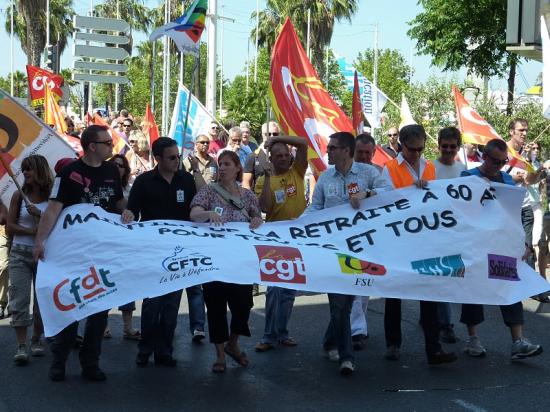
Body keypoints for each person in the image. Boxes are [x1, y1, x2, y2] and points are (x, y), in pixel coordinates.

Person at [34, 124, 125, 382]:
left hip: (103, 251)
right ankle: (59, 360)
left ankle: (90, 363)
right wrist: (40, 242)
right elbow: (52, 210)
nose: (112, 146)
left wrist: (128, 212)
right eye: (107, 142)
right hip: (74, 253)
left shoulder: (110, 170)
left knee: (99, 309)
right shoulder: (69, 173)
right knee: (71, 305)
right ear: (92, 146)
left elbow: (117, 202)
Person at [307, 131, 392, 376]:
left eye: (332, 147)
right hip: (333, 249)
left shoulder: (368, 174)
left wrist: (367, 194)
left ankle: (328, 342)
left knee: (347, 302)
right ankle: (347, 357)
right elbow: (315, 207)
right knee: (339, 300)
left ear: (346, 150)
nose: (328, 151)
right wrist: (294, 226)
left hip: (361, 247)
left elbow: (390, 193)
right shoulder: (325, 178)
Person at [459, 138, 543, 360]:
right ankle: (473, 339)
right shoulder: (467, 178)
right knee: (473, 291)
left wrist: (522, 242)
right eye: (495, 161)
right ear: (484, 156)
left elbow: (511, 214)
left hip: (500, 245)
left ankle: (518, 341)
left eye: (502, 161)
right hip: (475, 245)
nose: (498, 166)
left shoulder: (507, 180)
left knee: (509, 288)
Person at [122, 137, 202, 367]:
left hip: (179, 252)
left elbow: (200, 205)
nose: (177, 160)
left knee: (171, 305)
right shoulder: (144, 182)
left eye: (178, 156)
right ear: (157, 159)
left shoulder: (186, 180)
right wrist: (128, 215)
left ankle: (165, 350)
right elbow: (132, 211)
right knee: (152, 303)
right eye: (172, 157)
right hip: (152, 251)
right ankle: (145, 348)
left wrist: (196, 171)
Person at [381, 124, 457, 365]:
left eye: (420, 149)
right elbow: (386, 201)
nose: (416, 153)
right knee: (394, 293)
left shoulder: (430, 166)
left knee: (429, 292)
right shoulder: (389, 168)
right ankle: (393, 344)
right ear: (401, 145)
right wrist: (410, 192)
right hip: (399, 239)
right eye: (412, 149)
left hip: (426, 238)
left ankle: (433, 348)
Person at [190, 150, 263, 373]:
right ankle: (220, 355)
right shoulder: (209, 191)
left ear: (237, 168)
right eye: (220, 164)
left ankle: (233, 343)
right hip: (215, 260)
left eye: (227, 164)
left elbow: (256, 216)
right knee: (216, 307)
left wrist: (257, 219)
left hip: (240, 261)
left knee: (243, 306)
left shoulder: (247, 195)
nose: (222, 167)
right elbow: (194, 213)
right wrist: (207, 213)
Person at [253, 134, 308, 352]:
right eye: (279, 156)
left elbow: (303, 143)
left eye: (287, 154)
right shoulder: (262, 180)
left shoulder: (298, 171)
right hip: (275, 240)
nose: (285, 158)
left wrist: (277, 139)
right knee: (274, 289)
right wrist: (266, 178)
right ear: (272, 159)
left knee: (289, 292)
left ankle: (283, 333)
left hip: (298, 238)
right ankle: (268, 337)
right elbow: (265, 207)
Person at [7, 155, 53, 365]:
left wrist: (41, 217)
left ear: (40, 171)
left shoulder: (53, 198)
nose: (25, 173)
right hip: (19, 253)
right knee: (19, 299)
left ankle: (36, 339)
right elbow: (10, 226)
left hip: (44, 255)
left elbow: (59, 226)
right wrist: (32, 230)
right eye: (24, 169)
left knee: (42, 301)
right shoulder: (19, 195)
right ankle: (21, 344)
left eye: (30, 169)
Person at [432, 127, 466, 344]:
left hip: (454, 232)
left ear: (458, 148)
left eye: (452, 147)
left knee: (449, 278)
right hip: (432, 231)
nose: (448, 150)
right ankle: (445, 325)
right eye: (444, 146)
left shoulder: (463, 171)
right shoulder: (429, 168)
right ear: (439, 145)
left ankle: (436, 317)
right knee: (439, 277)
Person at [102, 155, 141, 341]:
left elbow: (133, 212)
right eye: (113, 165)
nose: (117, 168)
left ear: (125, 169)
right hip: (105, 242)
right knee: (105, 283)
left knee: (128, 284)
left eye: (121, 165)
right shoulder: (103, 188)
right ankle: (104, 326)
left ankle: (128, 327)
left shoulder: (130, 189)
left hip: (125, 243)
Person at [347, 133, 380, 351]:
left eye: (368, 153)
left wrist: (367, 193)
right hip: (345, 236)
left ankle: (359, 326)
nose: (365, 156)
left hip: (370, 236)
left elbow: (389, 192)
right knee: (352, 282)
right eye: (361, 152)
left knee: (364, 284)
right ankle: (356, 330)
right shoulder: (342, 171)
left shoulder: (376, 172)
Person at [506, 119, 546, 270]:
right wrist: (513, 179)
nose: (524, 133)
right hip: (508, 208)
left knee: (527, 249)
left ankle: (530, 288)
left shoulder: (525, 153)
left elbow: (530, 180)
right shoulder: (504, 150)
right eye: (521, 130)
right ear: (512, 132)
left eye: (526, 130)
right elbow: (493, 176)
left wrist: (540, 169)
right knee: (509, 249)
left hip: (525, 208)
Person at [243, 121, 280, 190]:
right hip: (260, 198)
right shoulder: (253, 157)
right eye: (268, 134)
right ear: (262, 135)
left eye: (275, 134)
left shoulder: (284, 156)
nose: (271, 137)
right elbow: (246, 184)